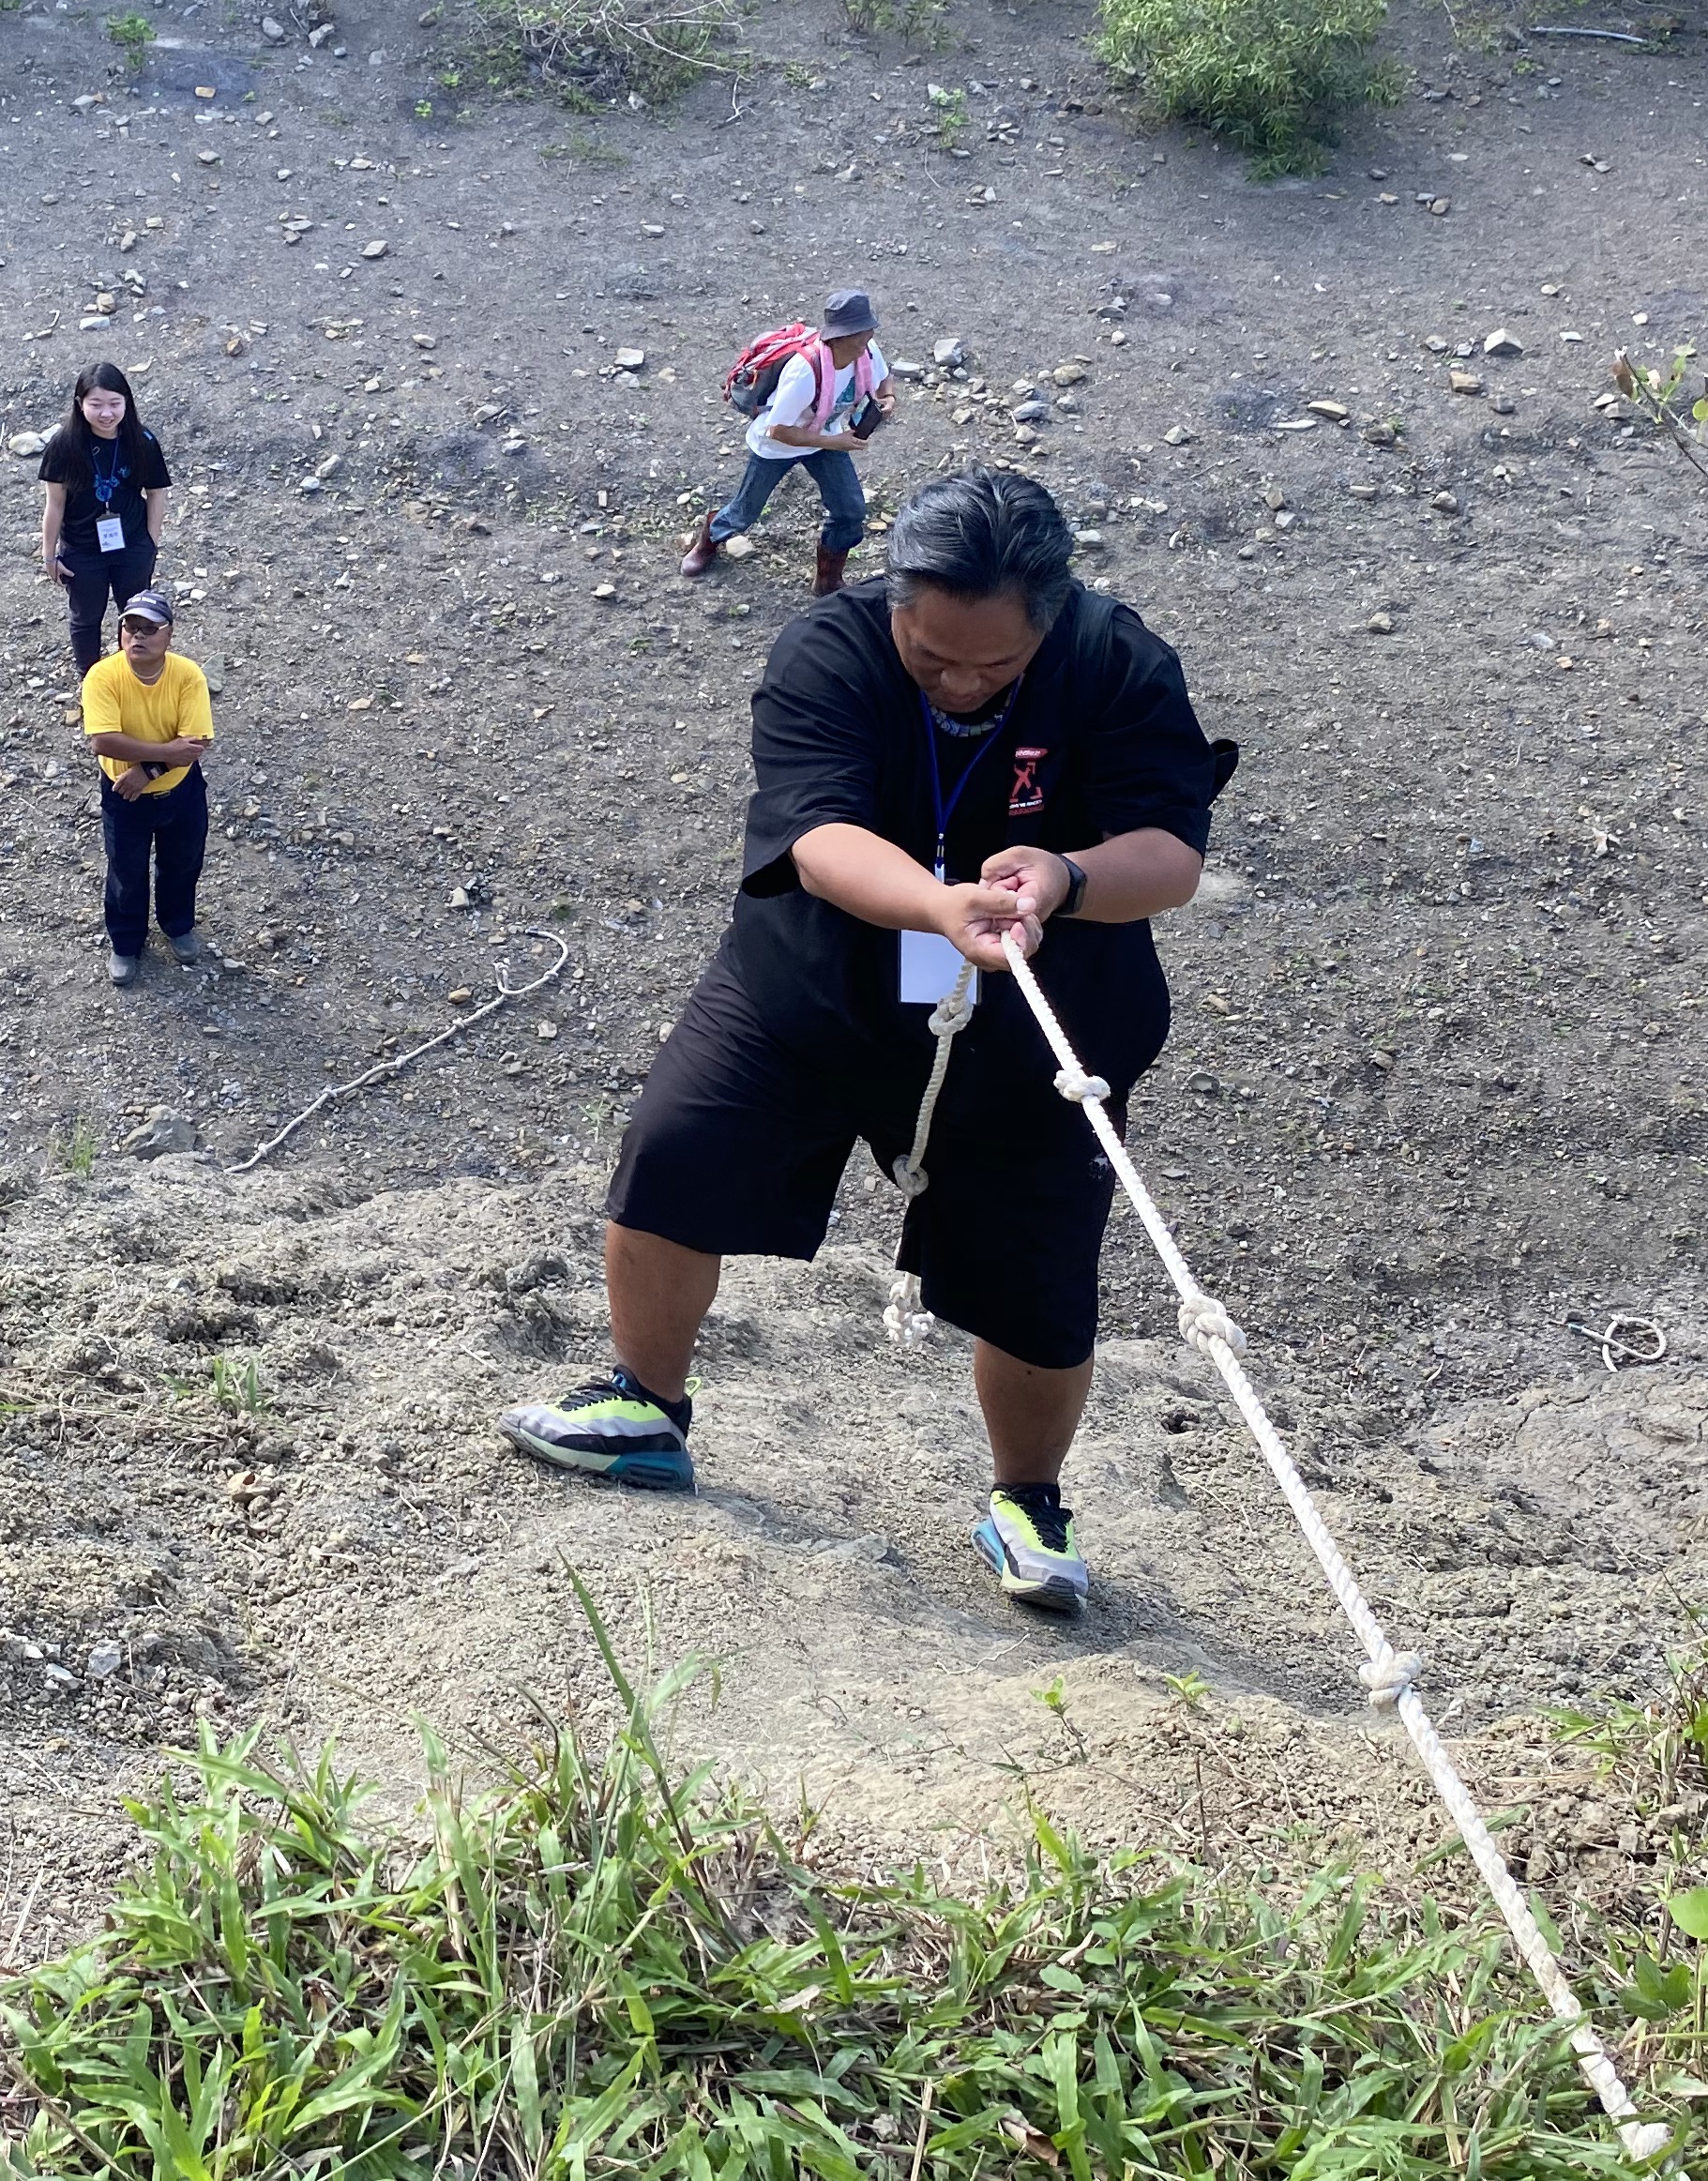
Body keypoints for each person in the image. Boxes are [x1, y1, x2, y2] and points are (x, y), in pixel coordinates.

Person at [505, 470, 1235, 1613]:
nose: (954, 681)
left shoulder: (1116, 661)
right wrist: (940, 906)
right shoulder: (831, 651)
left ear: (1048, 621)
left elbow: (1172, 853)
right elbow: (816, 834)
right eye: (929, 651)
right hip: (816, 982)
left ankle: (1029, 1503)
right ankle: (646, 1403)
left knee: (1040, 1275)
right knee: (675, 1148)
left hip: (1049, 1008)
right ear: (895, 598)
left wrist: (1068, 874)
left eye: (990, 667)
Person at [684, 285, 893, 598]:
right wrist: (835, 442)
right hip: (779, 446)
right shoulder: (804, 372)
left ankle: (828, 578)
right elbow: (778, 430)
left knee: (850, 511)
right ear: (837, 337)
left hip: (827, 436)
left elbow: (883, 375)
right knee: (745, 511)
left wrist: (887, 396)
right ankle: (709, 540)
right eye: (858, 333)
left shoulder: (866, 352)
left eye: (868, 329)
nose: (867, 338)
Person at [80, 587, 215, 989]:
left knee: (183, 862)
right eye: (130, 628)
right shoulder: (103, 676)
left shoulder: (187, 675)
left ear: (168, 634)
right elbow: (103, 740)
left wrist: (147, 770)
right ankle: (125, 943)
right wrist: (163, 755)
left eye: (148, 628)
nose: (137, 636)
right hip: (123, 795)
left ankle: (177, 926)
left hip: (181, 792)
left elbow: (195, 745)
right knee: (125, 871)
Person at [36, 361, 176, 672]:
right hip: (83, 549)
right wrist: (49, 555)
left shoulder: (142, 441)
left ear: (127, 402)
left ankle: (129, 675)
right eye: (96, 404)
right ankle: (92, 681)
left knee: (135, 617)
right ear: (80, 404)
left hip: (132, 546)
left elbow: (156, 492)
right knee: (86, 618)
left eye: (115, 403)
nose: (106, 413)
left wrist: (150, 543)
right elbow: (55, 503)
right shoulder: (64, 445)